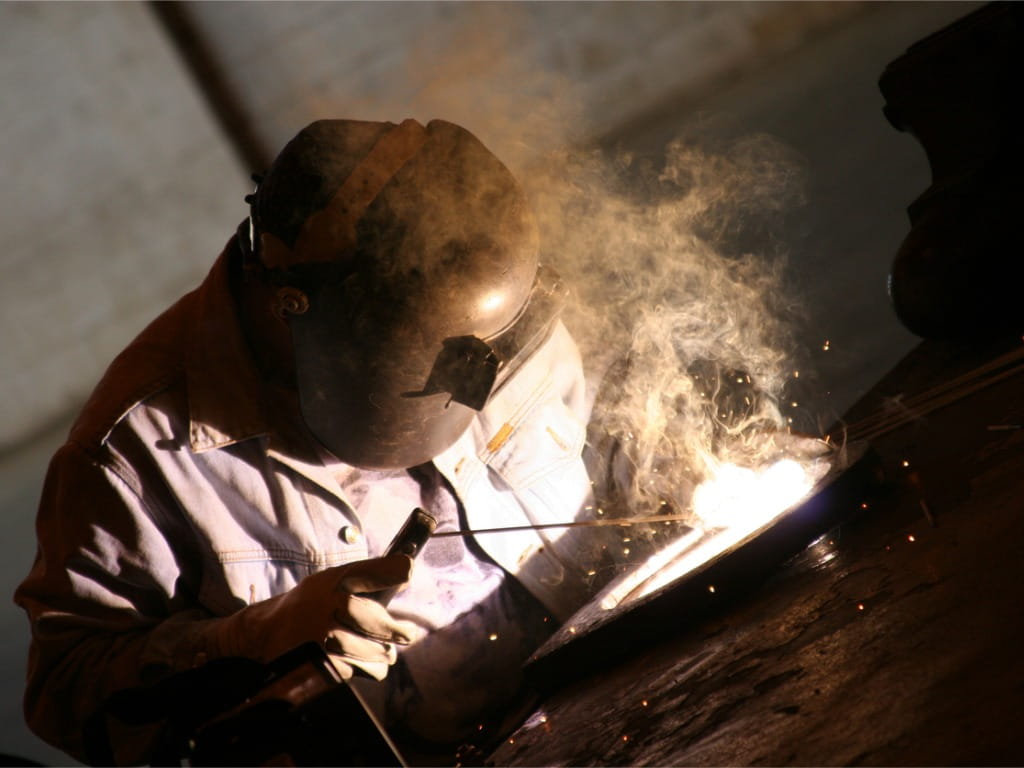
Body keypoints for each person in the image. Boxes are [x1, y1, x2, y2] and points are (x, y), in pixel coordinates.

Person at [14, 118, 597, 764]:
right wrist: (257, 637)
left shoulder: (488, 301)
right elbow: (68, 690)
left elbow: (617, 427)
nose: (485, 375)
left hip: (602, 697)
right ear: (292, 310)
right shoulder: (134, 457)